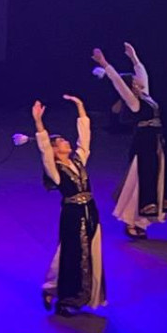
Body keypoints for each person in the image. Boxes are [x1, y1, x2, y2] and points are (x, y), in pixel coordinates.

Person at [92, 43, 167, 239]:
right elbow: (118, 83)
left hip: (155, 144)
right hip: (144, 145)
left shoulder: (145, 96)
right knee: (140, 181)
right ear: (132, 86)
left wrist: (134, 58)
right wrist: (104, 64)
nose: (139, 79)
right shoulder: (134, 102)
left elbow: (143, 74)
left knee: (154, 180)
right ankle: (131, 221)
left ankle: (141, 222)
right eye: (135, 79)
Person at [33, 96, 106, 316]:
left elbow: (85, 140)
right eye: (62, 141)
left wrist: (80, 107)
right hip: (73, 215)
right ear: (56, 150)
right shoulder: (55, 171)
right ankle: (67, 298)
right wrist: (38, 122)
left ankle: (58, 289)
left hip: (90, 212)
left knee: (89, 253)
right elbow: (45, 152)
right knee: (71, 255)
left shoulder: (77, 161)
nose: (67, 142)